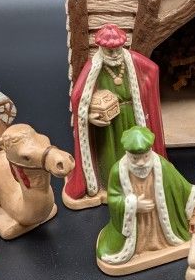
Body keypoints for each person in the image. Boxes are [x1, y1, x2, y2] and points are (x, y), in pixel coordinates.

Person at [63, 23, 166, 209]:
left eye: (118, 48)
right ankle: (113, 185)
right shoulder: (94, 67)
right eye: (110, 50)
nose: (114, 53)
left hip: (132, 116)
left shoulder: (132, 60)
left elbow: (152, 70)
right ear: (101, 48)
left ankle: (137, 180)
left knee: (135, 149)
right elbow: (79, 96)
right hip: (108, 125)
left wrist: (143, 92)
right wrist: (89, 115)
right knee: (111, 153)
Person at [96, 126, 195, 272]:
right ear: (127, 154)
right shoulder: (117, 171)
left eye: (145, 157)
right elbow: (113, 198)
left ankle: (161, 242)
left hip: (159, 218)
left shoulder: (161, 164)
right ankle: (139, 248)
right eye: (135, 158)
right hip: (137, 222)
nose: (141, 162)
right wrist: (134, 205)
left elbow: (179, 184)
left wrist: (194, 197)